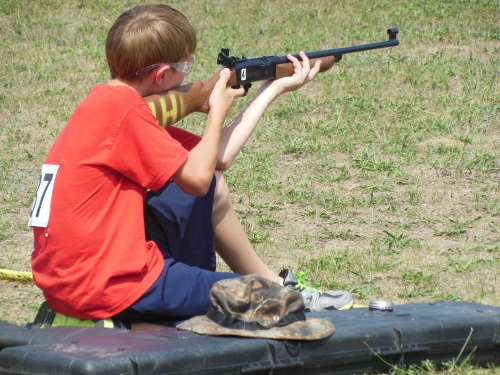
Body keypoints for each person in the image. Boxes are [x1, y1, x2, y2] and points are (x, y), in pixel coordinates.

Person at [29, 4, 353, 329]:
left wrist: (272, 89)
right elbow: (197, 179)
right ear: (161, 76)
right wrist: (215, 112)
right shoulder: (126, 113)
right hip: (116, 285)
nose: (189, 75)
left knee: (214, 190)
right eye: (186, 66)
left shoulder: (106, 105)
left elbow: (217, 161)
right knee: (274, 302)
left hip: (69, 284)